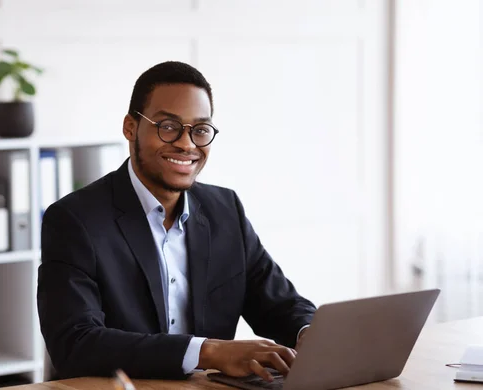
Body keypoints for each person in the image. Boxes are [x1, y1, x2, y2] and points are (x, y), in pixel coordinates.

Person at [37, 61, 317, 382]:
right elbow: (75, 344)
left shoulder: (225, 210)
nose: (187, 144)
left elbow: (279, 303)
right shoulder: (74, 220)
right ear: (131, 128)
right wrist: (207, 352)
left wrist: (309, 333)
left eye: (200, 130)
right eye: (168, 126)